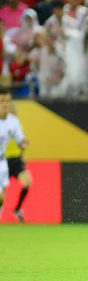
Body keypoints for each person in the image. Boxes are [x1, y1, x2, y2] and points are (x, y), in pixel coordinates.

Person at [0, 89, 29, 219]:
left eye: (7, 101)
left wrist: (23, 142)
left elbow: (20, 140)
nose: (5, 104)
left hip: (3, 162)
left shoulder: (13, 121)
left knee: (1, 199)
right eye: (2, 101)